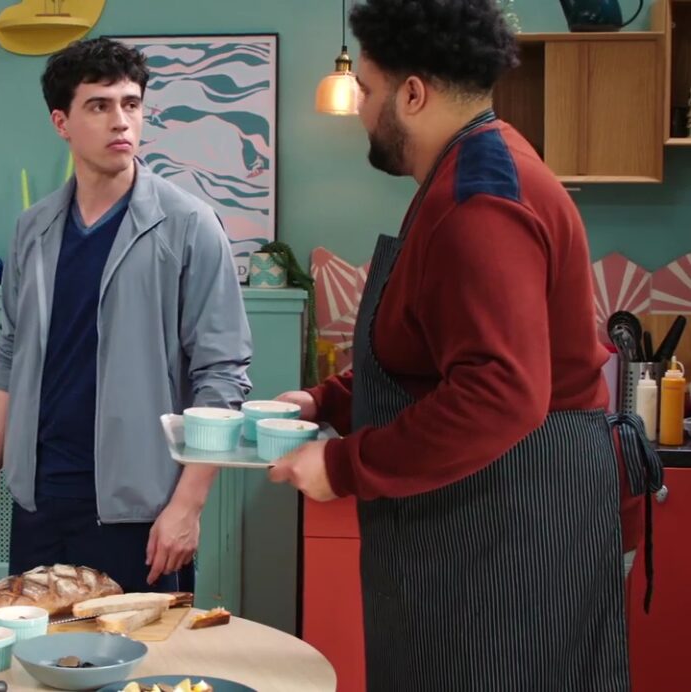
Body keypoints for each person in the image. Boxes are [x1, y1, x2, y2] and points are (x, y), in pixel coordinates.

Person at [268, 1, 658, 689]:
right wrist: (324, 401)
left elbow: (498, 392)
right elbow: (434, 353)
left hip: (509, 524)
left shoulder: (481, 201)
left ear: (412, 95)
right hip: (480, 520)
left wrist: (342, 464)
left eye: (367, 90)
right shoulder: (467, 173)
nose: (361, 110)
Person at [0, 37, 252, 593]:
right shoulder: (33, 228)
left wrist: (188, 504)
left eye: (131, 104)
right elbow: (8, 356)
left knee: (139, 652)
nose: (121, 121)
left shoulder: (190, 225)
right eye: (99, 106)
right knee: (37, 647)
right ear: (61, 122)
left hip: (141, 508)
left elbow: (222, 377)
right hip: (39, 501)